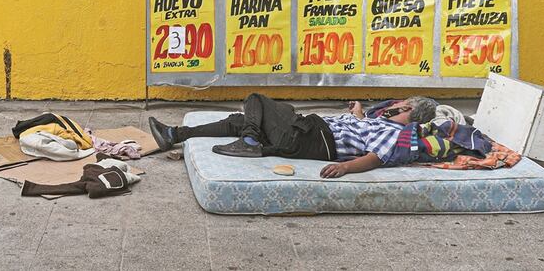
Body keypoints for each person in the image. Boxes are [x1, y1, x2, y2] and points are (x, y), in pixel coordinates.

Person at [148, 94, 438, 178]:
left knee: (256, 101)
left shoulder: (396, 132)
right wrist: (358, 113)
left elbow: (376, 157)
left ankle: (249, 142)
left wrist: (346, 168)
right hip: (310, 132)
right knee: (241, 120)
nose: (395, 104)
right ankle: (174, 133)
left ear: (408, 108)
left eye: (401, 102)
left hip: (314, 137)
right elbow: (362, 130)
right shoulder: (377, 122)